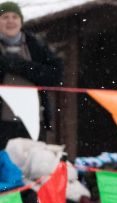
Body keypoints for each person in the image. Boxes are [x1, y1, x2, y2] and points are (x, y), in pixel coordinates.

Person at [0, 2, 62, 146]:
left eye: (14, 17)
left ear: (21, 21)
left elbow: (55, 75)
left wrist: (22, 66)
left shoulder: (36, 45)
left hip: (33, 122)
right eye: (5, 17)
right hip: (3, 124)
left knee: (32, 166)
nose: (10, 21)